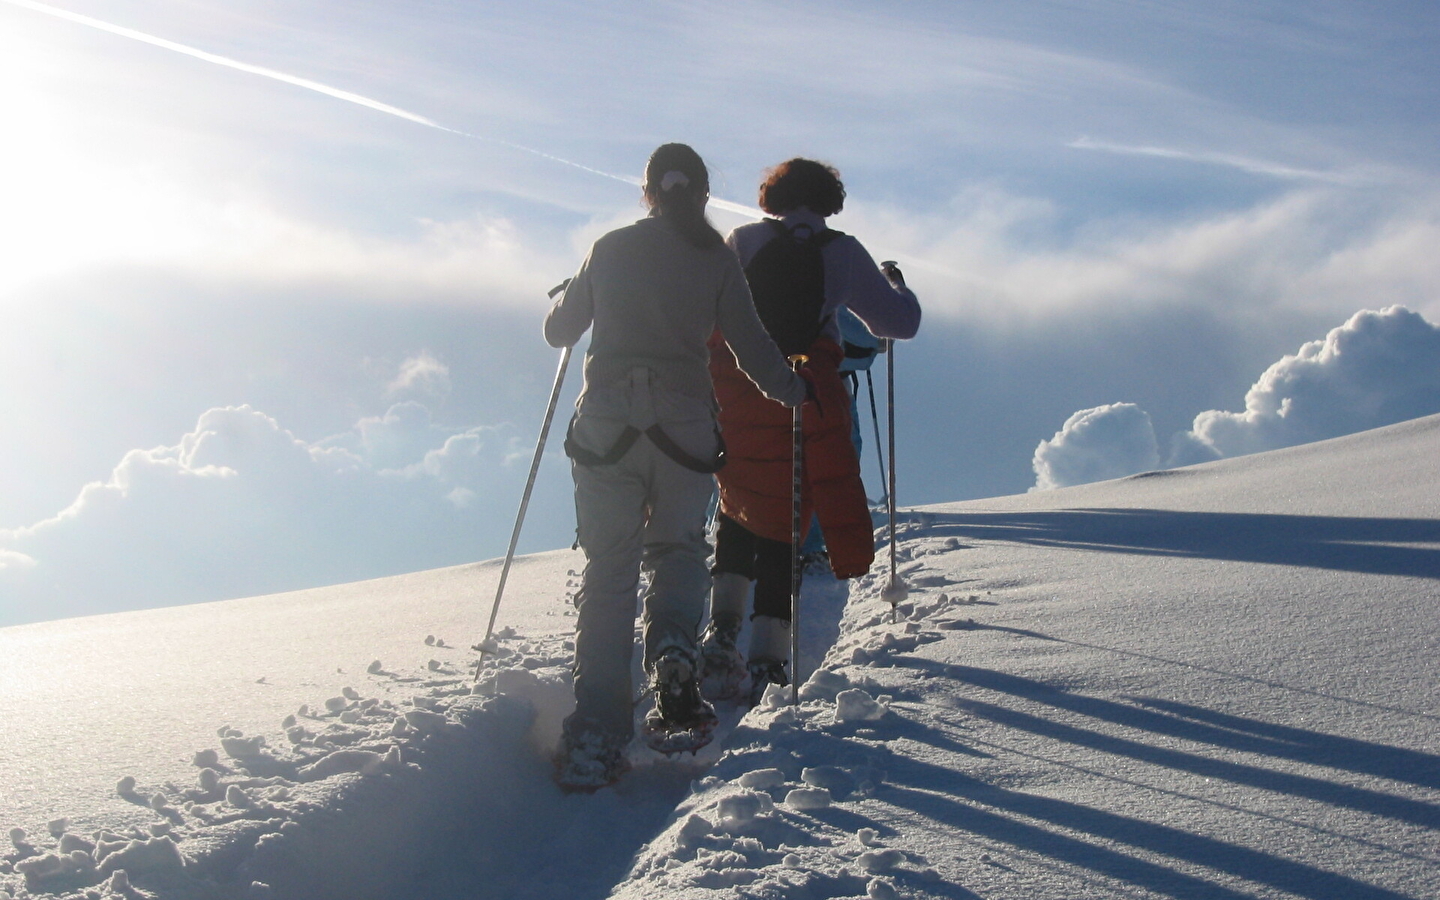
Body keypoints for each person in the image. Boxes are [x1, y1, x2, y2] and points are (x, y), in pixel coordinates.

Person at [544, 143, 808, 790]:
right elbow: (753, 349)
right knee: (680, 551)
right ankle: (672, 658)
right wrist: (797, 390)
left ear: (648, 192)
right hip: (685, 425)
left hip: (606, 422)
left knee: (609, 569)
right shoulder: (715, 259)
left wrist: (567, 298)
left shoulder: (608, 248)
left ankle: (597, 734)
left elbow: (560, 331)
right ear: (703, 193)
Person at [701, 158, 920, 704]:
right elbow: (900, 324)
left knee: (737, 497)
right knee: (787, 509)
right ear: (830, 199)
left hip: (740, 383)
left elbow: (707, 308)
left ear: (772, 197)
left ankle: (722, 627)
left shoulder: (743, 240)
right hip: (805, 387)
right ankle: (769, 655)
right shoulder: (842, 251)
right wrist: (899, 285)